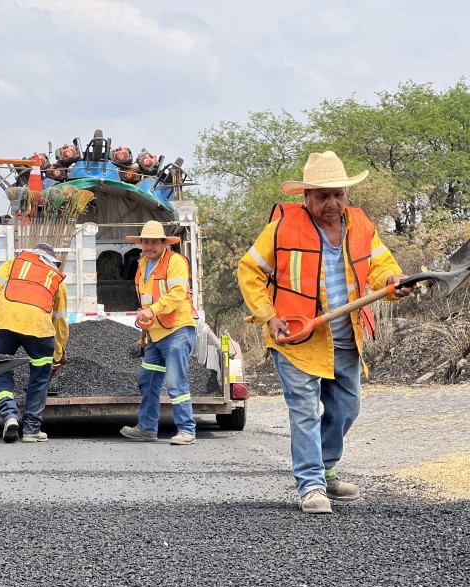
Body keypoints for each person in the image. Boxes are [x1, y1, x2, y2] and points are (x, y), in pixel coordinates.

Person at [238, 150, 413, 514]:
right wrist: (268, 316)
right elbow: (249, 270)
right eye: (322, 196)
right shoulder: (282, 228)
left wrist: (394, 280)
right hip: (296, 337)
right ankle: (311, 485)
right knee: (304, 411)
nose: (332, 202)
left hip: (346, 336)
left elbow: (381, 264)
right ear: (305, 198)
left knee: (346, 409)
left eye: (338, 194)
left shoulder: (362, 225)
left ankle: (327, 468)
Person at [120, 221, 198, 445]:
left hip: (177, 330)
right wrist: (144, 335)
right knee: (148, 379)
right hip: (155, 334)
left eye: (154, 242)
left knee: (175, 382)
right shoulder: (142, 265)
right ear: (141, 244)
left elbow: (177, 294)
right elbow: (146, 302)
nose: (149, 246)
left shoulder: (175, 262)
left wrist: (151, 311)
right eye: (146, 242)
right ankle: (146, 428)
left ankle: (186, 430)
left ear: (164, 243)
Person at [0, 243, 69, 443]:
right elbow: (59, 320)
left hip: (6, 324)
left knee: (1, 370)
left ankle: (10, 415)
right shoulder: (56, 277)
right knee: (39, 379)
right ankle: (31, 430)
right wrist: (58, 353)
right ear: (51, 260)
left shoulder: (15, 263)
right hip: (39, 330)